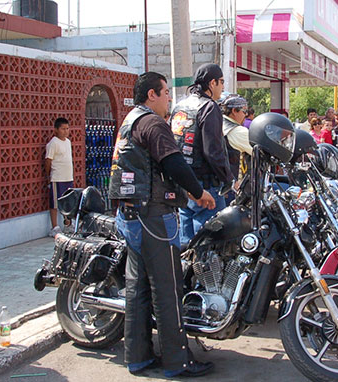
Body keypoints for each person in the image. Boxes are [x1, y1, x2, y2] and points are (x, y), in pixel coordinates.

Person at [109, 72, 216, 378]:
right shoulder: (154, 123)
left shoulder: (130, 120)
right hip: (153, 215)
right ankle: (177, 362)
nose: (170, 97)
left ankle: (139, 358)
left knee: (137, 288)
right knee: (167, 289)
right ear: (152, 95)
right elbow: (173, 163)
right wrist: (199, 192)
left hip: (130, 215)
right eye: (166, 92)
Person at [171, 63, 235, 246]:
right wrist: (228, 178)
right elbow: (213, 151)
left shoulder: (179, 107)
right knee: (209, 245)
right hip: (206, 186)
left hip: (184, 184)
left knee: (186, 244)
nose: (222, 87)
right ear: (212, 83)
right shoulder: (209, 107)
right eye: (221, 82)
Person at [220, 94, 252, 204]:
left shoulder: (217, 123)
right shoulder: (237, 131)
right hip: (233, 188)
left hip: (217, 184)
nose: (246, 114)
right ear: (234, 110)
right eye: (244, 111)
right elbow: (261, 150)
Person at [45, 117, 73, 237]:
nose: (65, 131)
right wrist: (48, 175)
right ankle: (55, 227)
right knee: (55, 204)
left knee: (67, 202)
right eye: (63, 129)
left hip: (68, 177)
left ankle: (67, 224)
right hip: (57, 178)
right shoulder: (53, 143)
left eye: (67, 128)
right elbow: (48, 160)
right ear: (56, 130)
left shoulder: (68, 142)